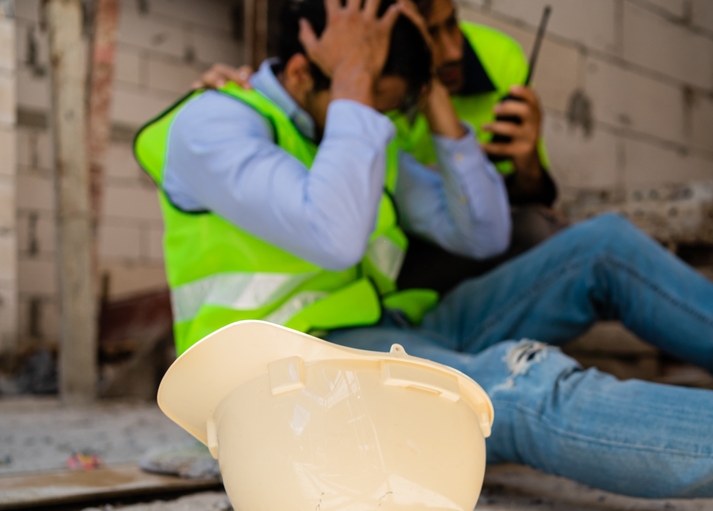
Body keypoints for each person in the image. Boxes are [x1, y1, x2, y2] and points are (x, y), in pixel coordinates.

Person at [136, 0, 713, 511]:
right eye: (381, 95)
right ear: (314, 61)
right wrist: (356, 88)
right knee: (524, 385)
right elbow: (334, 233)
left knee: (601, 247)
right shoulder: (216, 122)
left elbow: (483, 228)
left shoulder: (353, 124)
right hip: (296, 372)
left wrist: (431, 111)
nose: (390, 120)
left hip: (398, 328)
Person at [194, 0, 562, 294]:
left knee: (556, 233)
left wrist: (426, 81)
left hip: (396, 276)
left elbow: (489, 233)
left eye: (452, 23)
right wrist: (354, 86)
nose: (451, 50)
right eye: (431, 33)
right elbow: (334, 238)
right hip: (356, 296)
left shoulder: (486, 60)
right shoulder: (234, 118)